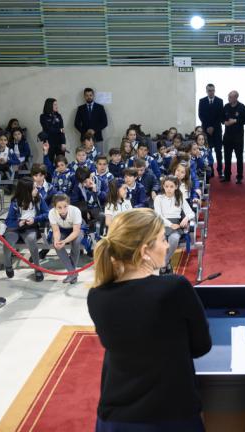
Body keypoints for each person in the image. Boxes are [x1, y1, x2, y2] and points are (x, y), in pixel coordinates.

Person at [87, 209, 211, 432]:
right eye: (163, 239)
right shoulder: (175, 288)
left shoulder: (96, 297)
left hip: (115, 418)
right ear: (144, 251)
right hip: (170, 415)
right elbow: (202, 345)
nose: (166, 245)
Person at [3, 177, 48, 282]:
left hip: (30, 227)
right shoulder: (15, 202)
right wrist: (18, 222)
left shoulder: (38, 198)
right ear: (26, 191)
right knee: (8, 242)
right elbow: (9, 220)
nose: (36, 189)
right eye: (33, 188)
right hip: (15, 227)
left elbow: (47, 213)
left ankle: (37, 268)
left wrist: (35, 219)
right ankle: (8, 265)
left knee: (31, 240)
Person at [154, 176, 196, 274]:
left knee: (174, 239)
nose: (168, 189)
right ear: (163, 186)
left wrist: (186, 218)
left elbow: (191, 213)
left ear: (176, 187)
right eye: (166, 186)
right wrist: (170, 224)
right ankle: (166, 263)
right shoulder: (158, 198)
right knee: (161, 240)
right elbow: (158, 215)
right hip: (161, 225)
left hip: (176, 225)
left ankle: (164, 263)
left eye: (171, 186)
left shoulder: (180, 197)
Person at [48, 194, 83, 284]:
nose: (63, 210)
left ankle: (71, 274)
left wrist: (65, 241)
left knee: (76, 241)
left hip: (77, 228)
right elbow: (56, 231)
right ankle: (72, 273)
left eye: (65, 206)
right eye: (59, 207)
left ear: (69, 204)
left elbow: (76, 231)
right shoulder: (51, 213)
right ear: (54, 207)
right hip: (62, 229)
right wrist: (57, 241)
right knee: (56, 244)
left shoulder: (75, 211)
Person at [198, 83, 224, 177]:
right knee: (208, 151)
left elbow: (220, 116)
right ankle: (210, 170)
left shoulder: (220, 101)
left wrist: (213, 127)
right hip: (206, 130)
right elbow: (201, 115)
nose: (211, 92)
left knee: (218, 151)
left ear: (214, 90)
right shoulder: (202, 101)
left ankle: (220, 170)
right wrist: (208, 127)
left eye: (213, 90)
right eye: (209, 90)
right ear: (206, 91)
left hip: (217, 130)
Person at [222, 90, 245, 184]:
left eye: (230, 97)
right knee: (227, 157)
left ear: (236, 97)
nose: (228, 98)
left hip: (238, 137)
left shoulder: (241, 107)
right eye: (228, 97)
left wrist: (235, 121)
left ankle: (239, 177)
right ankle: (227, 176)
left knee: (239, 157)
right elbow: (221, 118)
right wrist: (225, 122)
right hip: (227, 136)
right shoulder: (226, 106)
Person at [74, 87, 108, 154]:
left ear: (93, 95)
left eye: (90, 95)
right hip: (85, 138)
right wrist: (85, 132)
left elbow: (104, 122)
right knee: (84, 158)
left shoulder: (100, 107)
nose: (89, 97)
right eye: (87, 95)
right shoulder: (81, 109)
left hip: (97, 137)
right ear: (84, 96)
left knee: (99, 158)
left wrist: (94, 130)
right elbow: (76, 123)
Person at [39, 98, 66, 162]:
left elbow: (63, 130)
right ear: (49, 105)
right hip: (49, 143)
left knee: (61, 162)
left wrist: (63, 143)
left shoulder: (58, 116)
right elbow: (48, 129)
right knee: (48, 163)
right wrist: (59, 130)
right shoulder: (43, 116)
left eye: (57, 104)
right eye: (55, 105)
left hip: (59, 143)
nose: (57, 106)